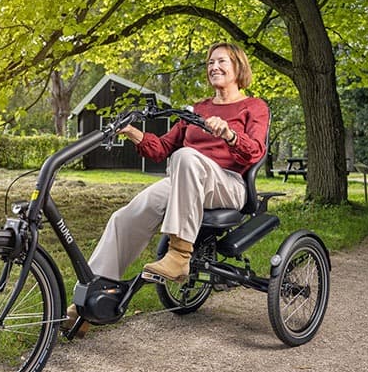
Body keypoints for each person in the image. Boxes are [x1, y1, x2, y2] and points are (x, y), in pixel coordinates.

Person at [64, 42, 270, 336]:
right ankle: (91, 302)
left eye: (221, 61)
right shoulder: (198, 109)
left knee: (185, 157)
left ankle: (179, 255)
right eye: (210, 62)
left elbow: (255, 152)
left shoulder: (254, 107)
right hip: (186, 179)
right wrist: (133, 133)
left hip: (229, 184)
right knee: (124, 219)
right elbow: (162, 148)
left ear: (238, 66)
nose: (214, 67)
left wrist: (231, 135)